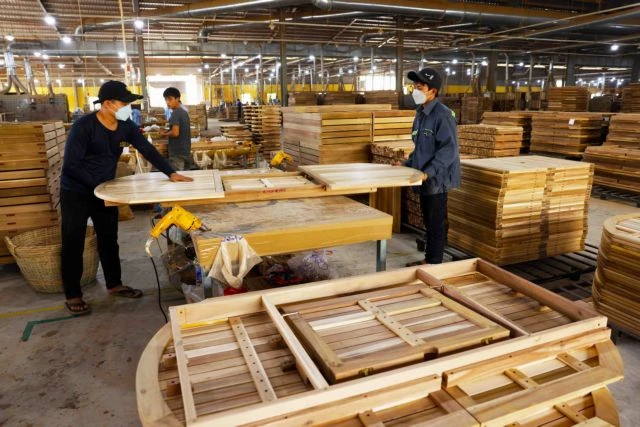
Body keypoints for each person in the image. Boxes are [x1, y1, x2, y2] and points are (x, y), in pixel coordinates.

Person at [60, 80, 193, 316]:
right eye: (125, 104)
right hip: (76, 191)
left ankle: (114, 284)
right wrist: (98, 188)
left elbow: (147, 149)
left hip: (104, 190)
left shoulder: (125, 125)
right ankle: (73, 294)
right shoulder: (84, 127)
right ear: (109, 104)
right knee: (73, 241)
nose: (129, 108)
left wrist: (170, 172)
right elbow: (71, 166)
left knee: (109, 238)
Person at [403, 67, 460, 265]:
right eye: (414, 87)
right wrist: (405, 164)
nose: (415, 91)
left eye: (420, 87)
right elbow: (420, 147)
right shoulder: (420, 114)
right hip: (424, 176)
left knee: (435, 222)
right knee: (428, 219)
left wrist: (428, 173)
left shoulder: (442, 115)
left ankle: (434, 262)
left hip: (437, 178)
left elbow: (448, 150)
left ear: (432, 91)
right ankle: (430, 258)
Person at [161, 87, 192, 171]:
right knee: (185, 178)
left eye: (170, 99)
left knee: (178, 180)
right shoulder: (184, 112)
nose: (167, 102)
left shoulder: (175, 113)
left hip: (177, 153)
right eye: (166, 100)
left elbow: (175, 133)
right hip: (186, 151)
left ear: (177, 99)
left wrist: (165, 134)